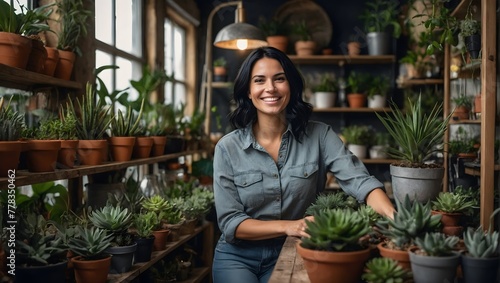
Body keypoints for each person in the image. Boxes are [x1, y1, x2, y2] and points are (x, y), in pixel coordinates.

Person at [211, 46, 395, 283]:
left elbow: (361, 182)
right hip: (236, 256)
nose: (270, 88)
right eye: (259, 80)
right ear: (248, 91)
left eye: (279, 79)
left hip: (293, 250)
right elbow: (230, 223)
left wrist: (394, 218)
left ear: (291, 86)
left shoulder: (320, 136)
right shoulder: (228, 148)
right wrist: (290, 226)